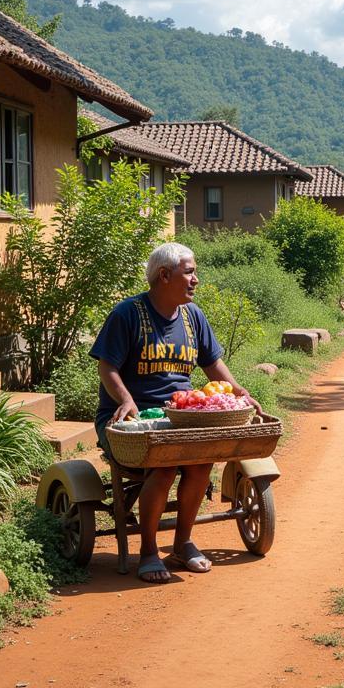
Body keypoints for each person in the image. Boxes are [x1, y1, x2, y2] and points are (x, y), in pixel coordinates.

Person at [91, 241, 252, 583]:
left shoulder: (193, 316)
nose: (196, 280)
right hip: (130, 420)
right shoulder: (127, 314)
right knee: (163, 468)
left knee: (200, 462)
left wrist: (239, 393)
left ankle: (182, 543)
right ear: (164, 275)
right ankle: (149, 551)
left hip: (181, 417)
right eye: (189, 272)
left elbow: (212, 363)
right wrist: (125, 399)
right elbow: (107, 367)